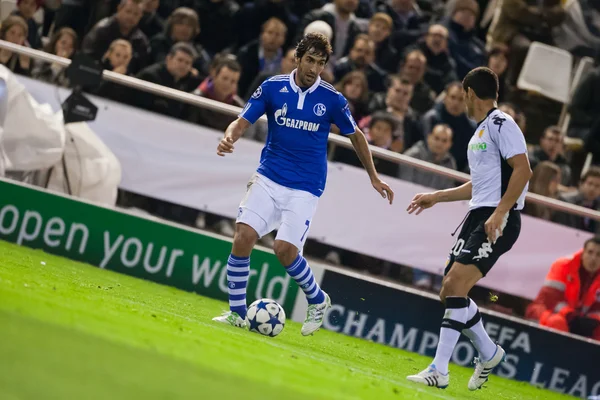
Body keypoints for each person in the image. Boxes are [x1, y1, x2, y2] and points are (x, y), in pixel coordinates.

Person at [212, 33, 394, 336]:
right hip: (269, 176)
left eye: (321, 63)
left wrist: (373, 176)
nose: (314, 68)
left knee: (284, 250)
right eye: (310, 60)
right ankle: (237, 313)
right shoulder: (272, 87)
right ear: (297, 58)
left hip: (305, 186)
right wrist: (229, 136)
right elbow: (242, 120)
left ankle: (318, 299)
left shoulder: (331, 98)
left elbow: (357, 136)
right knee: (243, 235)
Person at [406, 67, 532, 390]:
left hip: (498, 219)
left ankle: (440, 369)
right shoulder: (481, 131)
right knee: (449, 290)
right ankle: (489, 352)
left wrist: (501, 212)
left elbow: (524, 170)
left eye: (464, 94)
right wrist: (438, 196)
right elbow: (479, 184)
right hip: (480, 215)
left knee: (456, 282)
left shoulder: (502, 123)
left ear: (470, 93)